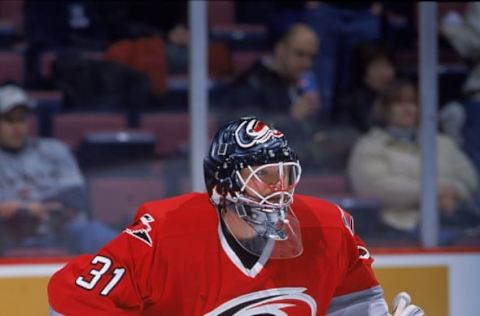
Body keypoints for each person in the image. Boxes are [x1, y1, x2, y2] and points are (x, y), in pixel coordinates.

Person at [48, 116, 423, 315]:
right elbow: (71, 298)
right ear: (222, 188)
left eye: (286, 175)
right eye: (264, 177)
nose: (280, 189)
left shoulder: (327, 228)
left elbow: (353, 307)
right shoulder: (166, 232)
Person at [348, 79, 480, 245]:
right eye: (399, 102)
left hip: (454, 220)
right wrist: (436, 192)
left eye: (413, 102)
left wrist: (453, 192)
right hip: (397, 227)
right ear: (385, 108)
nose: (408, 109)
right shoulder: (370, 146)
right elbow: (375, 187)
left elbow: (469, 179)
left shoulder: (442, 142)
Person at [0, 85, 116, 254]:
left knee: (94, 232)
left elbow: (76, 193)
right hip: (11, 232)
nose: (17, 127)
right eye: (9, 120)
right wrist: (20, 209)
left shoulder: (54, 149)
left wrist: (45, 208)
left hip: (59, 228)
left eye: (22, 119)